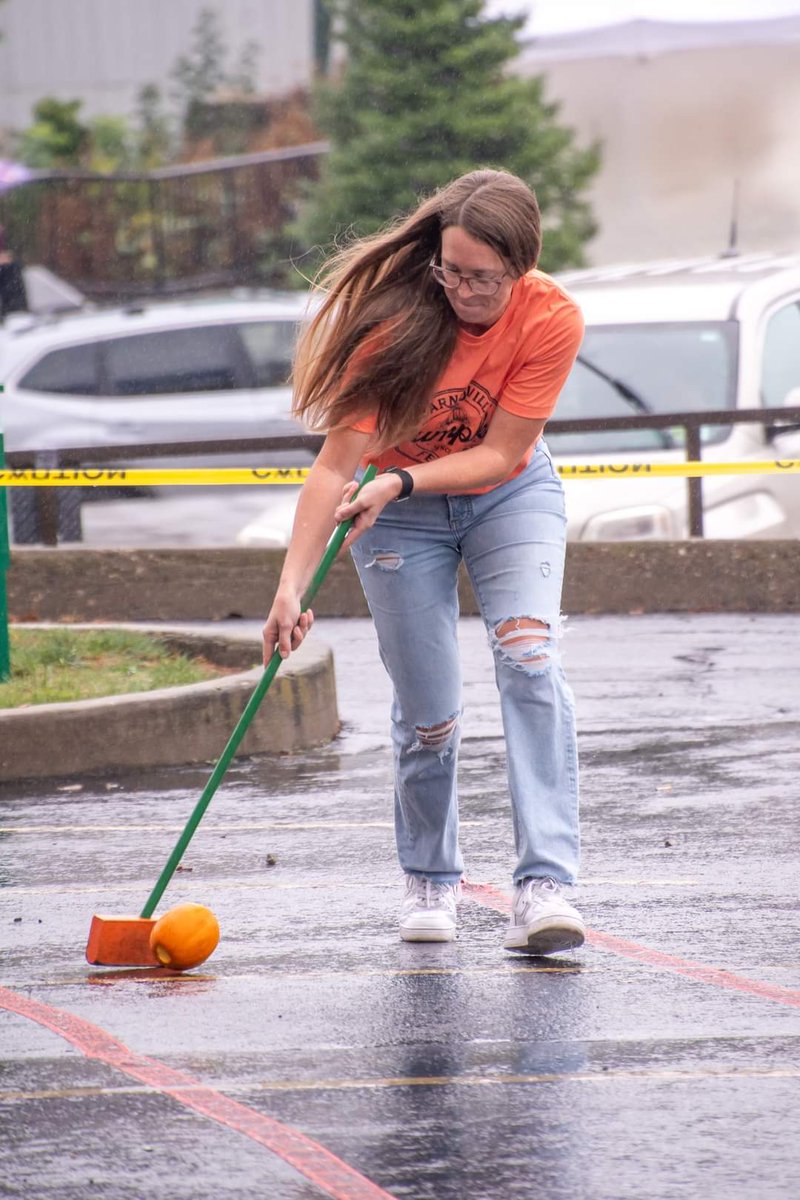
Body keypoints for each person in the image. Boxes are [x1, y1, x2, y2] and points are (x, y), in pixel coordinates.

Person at [262, 169, 585, 955]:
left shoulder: (551, 316)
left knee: (530, 656)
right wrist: (289, 587)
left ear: (522, 264)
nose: (463, 290)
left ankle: (544, 885)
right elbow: (337, 469)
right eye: (450, 270)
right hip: (396, 517)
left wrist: (403, 474)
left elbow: (502, 451)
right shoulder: (396, 327)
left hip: (509, 493)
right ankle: (430, 882)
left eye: (483, 278)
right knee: (431, 713)